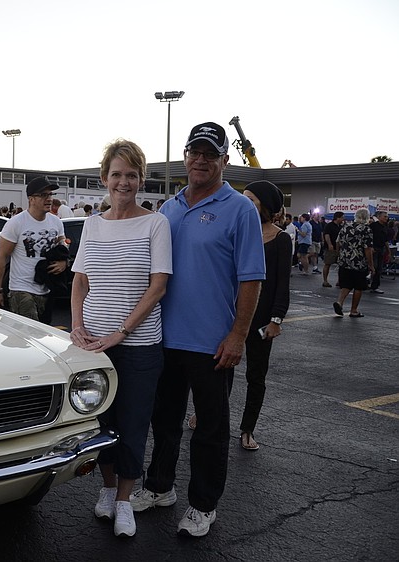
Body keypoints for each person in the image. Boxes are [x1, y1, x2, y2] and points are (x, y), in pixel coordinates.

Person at [130, 122, 265, 538]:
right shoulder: (168, 209)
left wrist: (239, 334)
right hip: (164, 338)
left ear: (225, 160)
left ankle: (203, 505)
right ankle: (159, 487)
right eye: (195, 152)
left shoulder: (240, 209)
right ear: (185, 157)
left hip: (213, 344)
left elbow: (251, 278)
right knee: (165, 421)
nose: (201, 160)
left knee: (209, 430)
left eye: (210, 153)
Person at [69, 139, 171, 537]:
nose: (123, 182)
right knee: (102, 424)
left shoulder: (155, 223)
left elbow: (158, 286)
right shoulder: (93, 225)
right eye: (116, 174)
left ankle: (127, 500)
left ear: (141, 179)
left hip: (139, 346)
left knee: (133, 424)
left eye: (131, 174)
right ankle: (109, 490)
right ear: (104, 179)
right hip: (94, 345)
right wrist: (77, 325)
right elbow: (80, 281)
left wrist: (121, 332)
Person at [235, 181, 291, 451]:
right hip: (230, 313)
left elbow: (282, 283)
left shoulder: (281, 239)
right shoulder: (236, 231)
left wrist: (276, 319)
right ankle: (209, 413)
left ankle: (247, 429)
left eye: (251, 200)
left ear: (265, 206)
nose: (244, 203)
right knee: (219, 369)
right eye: (243, 198)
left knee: (256, 376)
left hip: (261, 319)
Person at [0, 177, 67, 322]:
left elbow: (62, 243)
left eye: (50, 195)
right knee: (29, 334)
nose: (49, 199)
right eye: (43, 195)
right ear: (31, 199)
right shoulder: (16, 223)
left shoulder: (55, 222)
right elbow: (2, 256)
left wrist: (63, 262)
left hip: (46, 288)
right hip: (21, 289)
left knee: (42, 335)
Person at [333, 208, 374, 317]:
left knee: (346, 285)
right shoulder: (366, 229)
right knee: (358, 287)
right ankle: (354, 310)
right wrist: (371, 264)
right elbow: (368, 248)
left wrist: (340, 255)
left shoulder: (346, 227)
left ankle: (339, 302)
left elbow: (338, 242)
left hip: (344, 260)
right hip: (358, 262)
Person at [322, 211, 345, 287]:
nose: (343, 219)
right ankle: (325, 281)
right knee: (327, 264)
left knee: (340, 265)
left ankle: (339, 281)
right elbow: (326, 235)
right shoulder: (329, 225)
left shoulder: (341, 226)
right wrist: (329, 244)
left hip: (339, 248)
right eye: (342, 217)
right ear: (337, 218)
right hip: (330, 248)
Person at [369, 211, 388, 294]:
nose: (386, 218)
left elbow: (385, 240)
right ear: (379, 217)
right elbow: (368, 236)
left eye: (386, 217)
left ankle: (375, 286)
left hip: (381, 249)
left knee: (379, 268)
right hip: (374, 249)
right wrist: (371, 247)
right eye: (384, 216)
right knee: (373, 266)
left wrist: (388, 250)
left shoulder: (385, 227)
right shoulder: (373, 226)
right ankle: (366, 281)